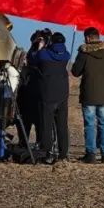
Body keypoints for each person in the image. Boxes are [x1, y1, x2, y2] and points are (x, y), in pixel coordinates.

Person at [71, 27, 104, 163]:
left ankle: (91, 154)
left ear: (87, 38)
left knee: (89, 124)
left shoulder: (84, 53)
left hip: (89, 94)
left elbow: (75, 72)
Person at [29, 32, 70, 164]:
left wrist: (40, 46)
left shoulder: (44, 54)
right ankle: (63, 153)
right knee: (62, 124)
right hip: (62, 93)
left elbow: (32, 59)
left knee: (46, 124)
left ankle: (47, 152)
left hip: (47, 93)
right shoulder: (66, 55)